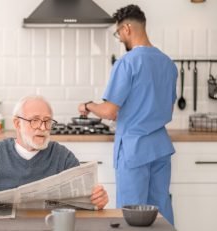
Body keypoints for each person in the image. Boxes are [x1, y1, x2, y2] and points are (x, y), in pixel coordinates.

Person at [77, 5, 177, 225]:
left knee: (131, 214)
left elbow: (109, 111)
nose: (120, 38)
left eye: (119, 33)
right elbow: (168, 112)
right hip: (160, 147)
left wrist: (88, 105)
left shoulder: (127, 62)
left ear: (127, 29)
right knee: (160, 212)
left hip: (134, 148)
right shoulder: (168, 64)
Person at [0, 95, 108, 211]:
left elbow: (84, 199)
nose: (42, 128)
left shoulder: (62, 155)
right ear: (17, 124)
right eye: (34, 120)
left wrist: (98, 199)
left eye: (47, 121)